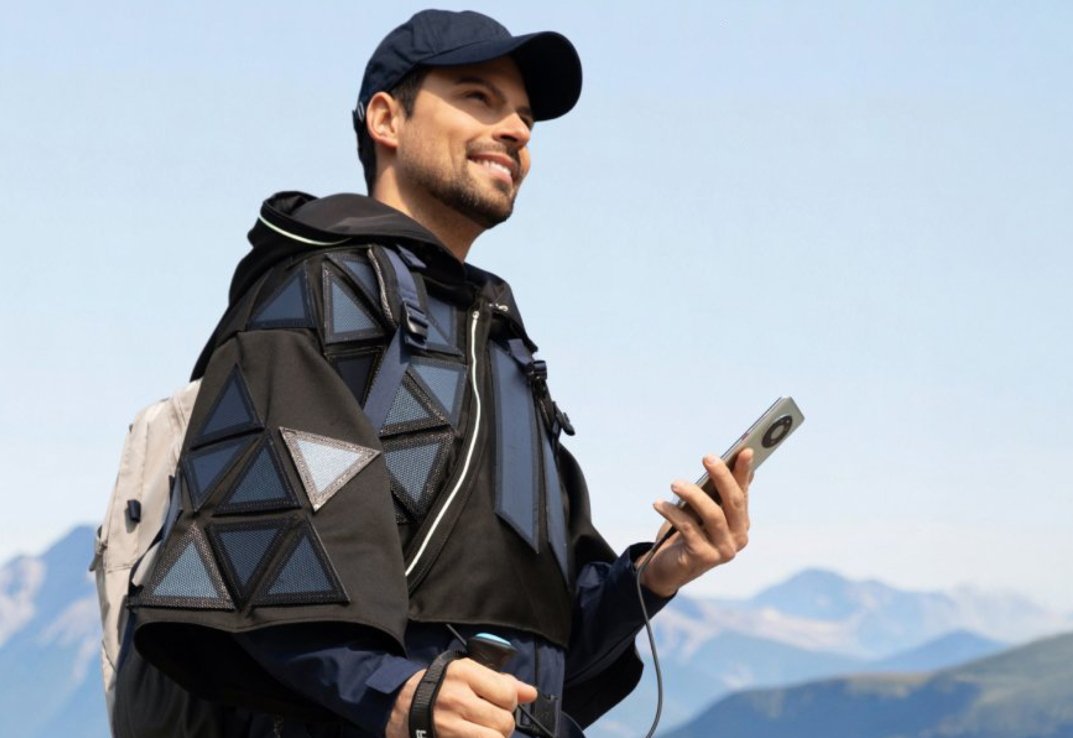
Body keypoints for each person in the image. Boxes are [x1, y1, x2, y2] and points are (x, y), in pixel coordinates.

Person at [117, 9, 752, 738]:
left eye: (525, 118)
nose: (516, 130)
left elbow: (543, 630)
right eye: (479, 98)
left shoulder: (500, 343)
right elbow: (252, 553)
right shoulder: (321, 295)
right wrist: (399, 696)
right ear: (387, 119)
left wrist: (656, 577)